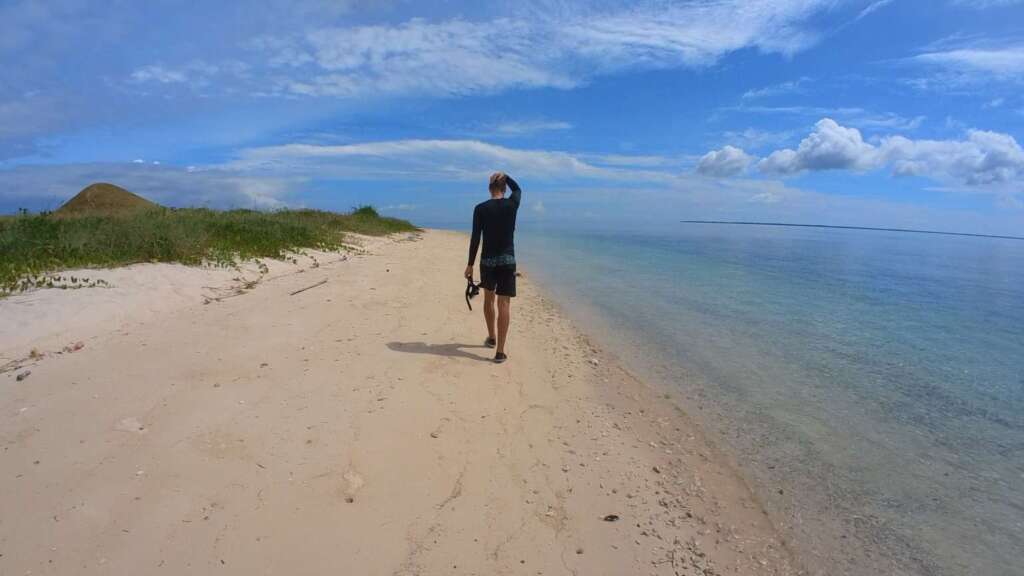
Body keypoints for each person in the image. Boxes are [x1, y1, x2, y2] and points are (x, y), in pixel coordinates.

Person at [465, 172, 522, 364]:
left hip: (487, 261)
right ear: (504, 188)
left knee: (489, 300)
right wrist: (507, 176)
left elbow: (475, 238)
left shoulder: (480, 208)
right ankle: (500, 352)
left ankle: (491, 337)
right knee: (504, 304)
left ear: (489, 188)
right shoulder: (512, 205)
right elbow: (519, 189)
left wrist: (470, 264)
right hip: (507, 260)